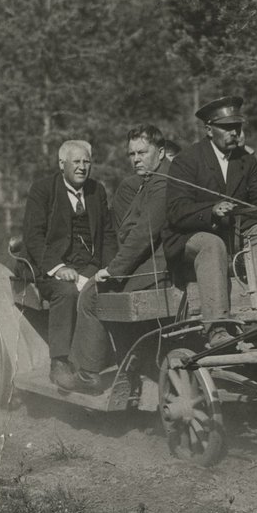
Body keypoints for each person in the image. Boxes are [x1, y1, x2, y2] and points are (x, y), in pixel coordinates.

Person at [65, 126, 180, 382]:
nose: (136, 159)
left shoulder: (161, 184)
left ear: (160, 152)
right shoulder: (151, 180)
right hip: (153, 262)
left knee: (91, 294)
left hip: (157, 267)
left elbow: (143, 236)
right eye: (131, 154)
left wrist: (113, 270)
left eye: (142, 152)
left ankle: (87, 373)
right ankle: (133, 362)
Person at [162, 95, 257, 347]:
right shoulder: (188, 160)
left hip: (236, 234)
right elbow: (176, 211)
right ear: (209, 129)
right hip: (189, 239)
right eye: (227, 128)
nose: (234, 133)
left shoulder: (246, 160)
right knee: (213, 245)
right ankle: (217, 329)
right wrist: (211, 210)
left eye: (237, 127)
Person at [22, 139, 118, 392]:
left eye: (87, 162)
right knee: (66, 291)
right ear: (62, 163)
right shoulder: (43, 190)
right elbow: (33, 236)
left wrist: (107, 268)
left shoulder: (97, 191)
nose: (82, 167)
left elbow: (107, 235)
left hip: (90, 266)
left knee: (105, 292)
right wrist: (57, 267)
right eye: (76, 162)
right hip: (52, 268)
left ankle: (96, 362)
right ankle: (60, 363)